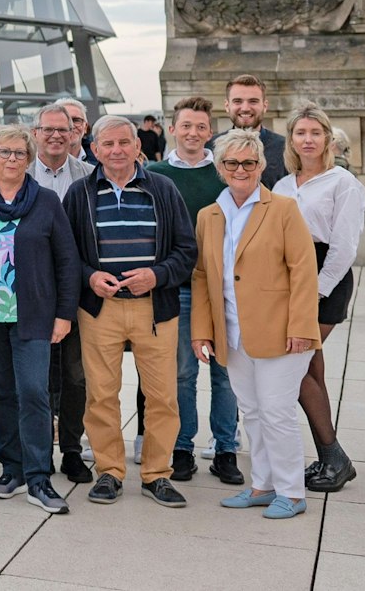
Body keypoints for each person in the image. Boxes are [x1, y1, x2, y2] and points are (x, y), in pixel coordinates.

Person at [62, 116, 195, 509]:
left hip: (155, 309)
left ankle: (157, 474)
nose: (116, 150)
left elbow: (187, 251)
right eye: (108, 144)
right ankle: (109, 471)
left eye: (124, 142)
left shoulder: (164, 189)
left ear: (138, 147)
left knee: (162, 397)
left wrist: (157, 275)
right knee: (101, 395)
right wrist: (89, 278)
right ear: (95, 149)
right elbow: (67, 255)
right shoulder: (79, 193)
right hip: (100, 309)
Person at [190, 130, 321, 520]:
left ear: (261, 166)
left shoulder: (283, 208)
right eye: (232, 163)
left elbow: (303, 270)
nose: (241, 169)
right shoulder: (208, 216)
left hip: (282, 331)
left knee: (277, 411)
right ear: (220, 168)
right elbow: (201, 276)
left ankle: (293, 492)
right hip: (231, 333)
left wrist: (301, 325)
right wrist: (202, 331)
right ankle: (263, 485)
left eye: (249, 162)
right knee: (252, 412)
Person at [0, 124, 79, 514]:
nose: (11, 159)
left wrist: (64, 314)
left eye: (19, 153)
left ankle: (40, 477)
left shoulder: (45, 201)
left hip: (35, 317)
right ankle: (12, 469)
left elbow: (67, 261)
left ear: (29, 158)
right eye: (4, 153)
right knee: (2, 395)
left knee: (34, 394)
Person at [273, 104, 365, 492]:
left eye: (315, 132)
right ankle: (330, 459)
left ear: (327, 138)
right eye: (300, 133)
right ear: (291, 139)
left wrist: (314, 292)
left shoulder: (343, 183)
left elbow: (345, 247)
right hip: (287, 280)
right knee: (310, 371)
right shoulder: (282, 185)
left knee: (293, 369)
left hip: (323, 278)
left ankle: (334, 457)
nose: (308, 139)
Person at [150, 96, 243, 486]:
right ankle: (182, 447)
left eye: (201, 127)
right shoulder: (154, 174)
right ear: (172, 129)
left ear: (210, 131)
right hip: (179, 288)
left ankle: (225, 449)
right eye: (186, 125)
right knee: (182, 374)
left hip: (223, 290)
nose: (193, 133)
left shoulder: (224, 175)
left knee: (226, 375)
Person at [30, 103, 93, 482]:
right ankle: (36, 451)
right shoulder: (17, 175)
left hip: (78, 292)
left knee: (75, 377)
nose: (55, 136)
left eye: (63, 130)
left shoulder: (89, 176)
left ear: (74, 134)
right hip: (32, 293)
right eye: (47, 129)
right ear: (35, 133)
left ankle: (71, 449)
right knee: (35, 378)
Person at [214, 75, 287, 187]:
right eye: (238, 101)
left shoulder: (285, 149)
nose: (245, 108)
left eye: (253, 101)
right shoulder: (211, 148)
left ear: (265, 106)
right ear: (227, 106)